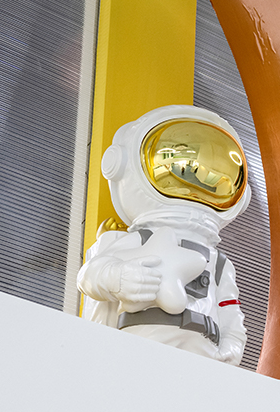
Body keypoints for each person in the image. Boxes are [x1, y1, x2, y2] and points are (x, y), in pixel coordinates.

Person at [78, 105, 249, 365]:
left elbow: (231, 316)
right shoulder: (141, 239)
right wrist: (120, 279)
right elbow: (89, 276)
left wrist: (231, 349)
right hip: (140, 346)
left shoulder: (219, 263)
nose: (194, 185)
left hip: (203, 354)